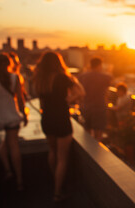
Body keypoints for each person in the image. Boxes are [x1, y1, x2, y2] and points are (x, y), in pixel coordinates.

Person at [32, 51, 85, 201]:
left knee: (53, 151)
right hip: (61, 118)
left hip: (47, 119)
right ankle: (57, 192)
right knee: (63, 157)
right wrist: (67, 101)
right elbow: (81, 92)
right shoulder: (62, 77)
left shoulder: (39, 79)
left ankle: (55, 179)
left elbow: (42, 104)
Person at [0, 54, 28, 191]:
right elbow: (20, 99)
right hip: (12, 115)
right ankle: (19, 180)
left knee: (3, 144)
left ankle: (8, 171)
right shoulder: (15, 77)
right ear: (9, 64)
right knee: (13, 145)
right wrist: (24, 115)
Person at [78, 57, 112, 140]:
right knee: (98, 134)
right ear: (100, 65)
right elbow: (108, 84)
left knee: (87, 133)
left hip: (86, 107)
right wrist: (109, 71)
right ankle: (97, 151)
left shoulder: (82, 76)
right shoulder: (105, 76)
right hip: (99, 107)